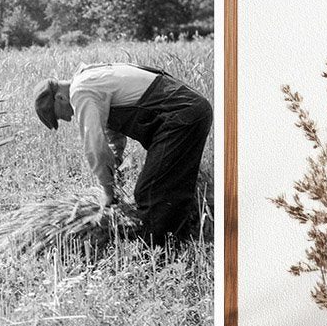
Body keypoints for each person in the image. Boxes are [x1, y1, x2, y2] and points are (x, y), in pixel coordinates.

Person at [34, 62, 212, 245]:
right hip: (187, 111)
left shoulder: (81, 90)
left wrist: (107, 191)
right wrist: (115, 170)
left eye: (59, 116)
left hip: (181, 116)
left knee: (149, 191)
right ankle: (180, 239)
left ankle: (157, 252)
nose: (68, 118)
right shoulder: (91, 77)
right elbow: (113, 139)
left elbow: (95, 146)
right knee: (169, 183)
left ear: (60, 98)